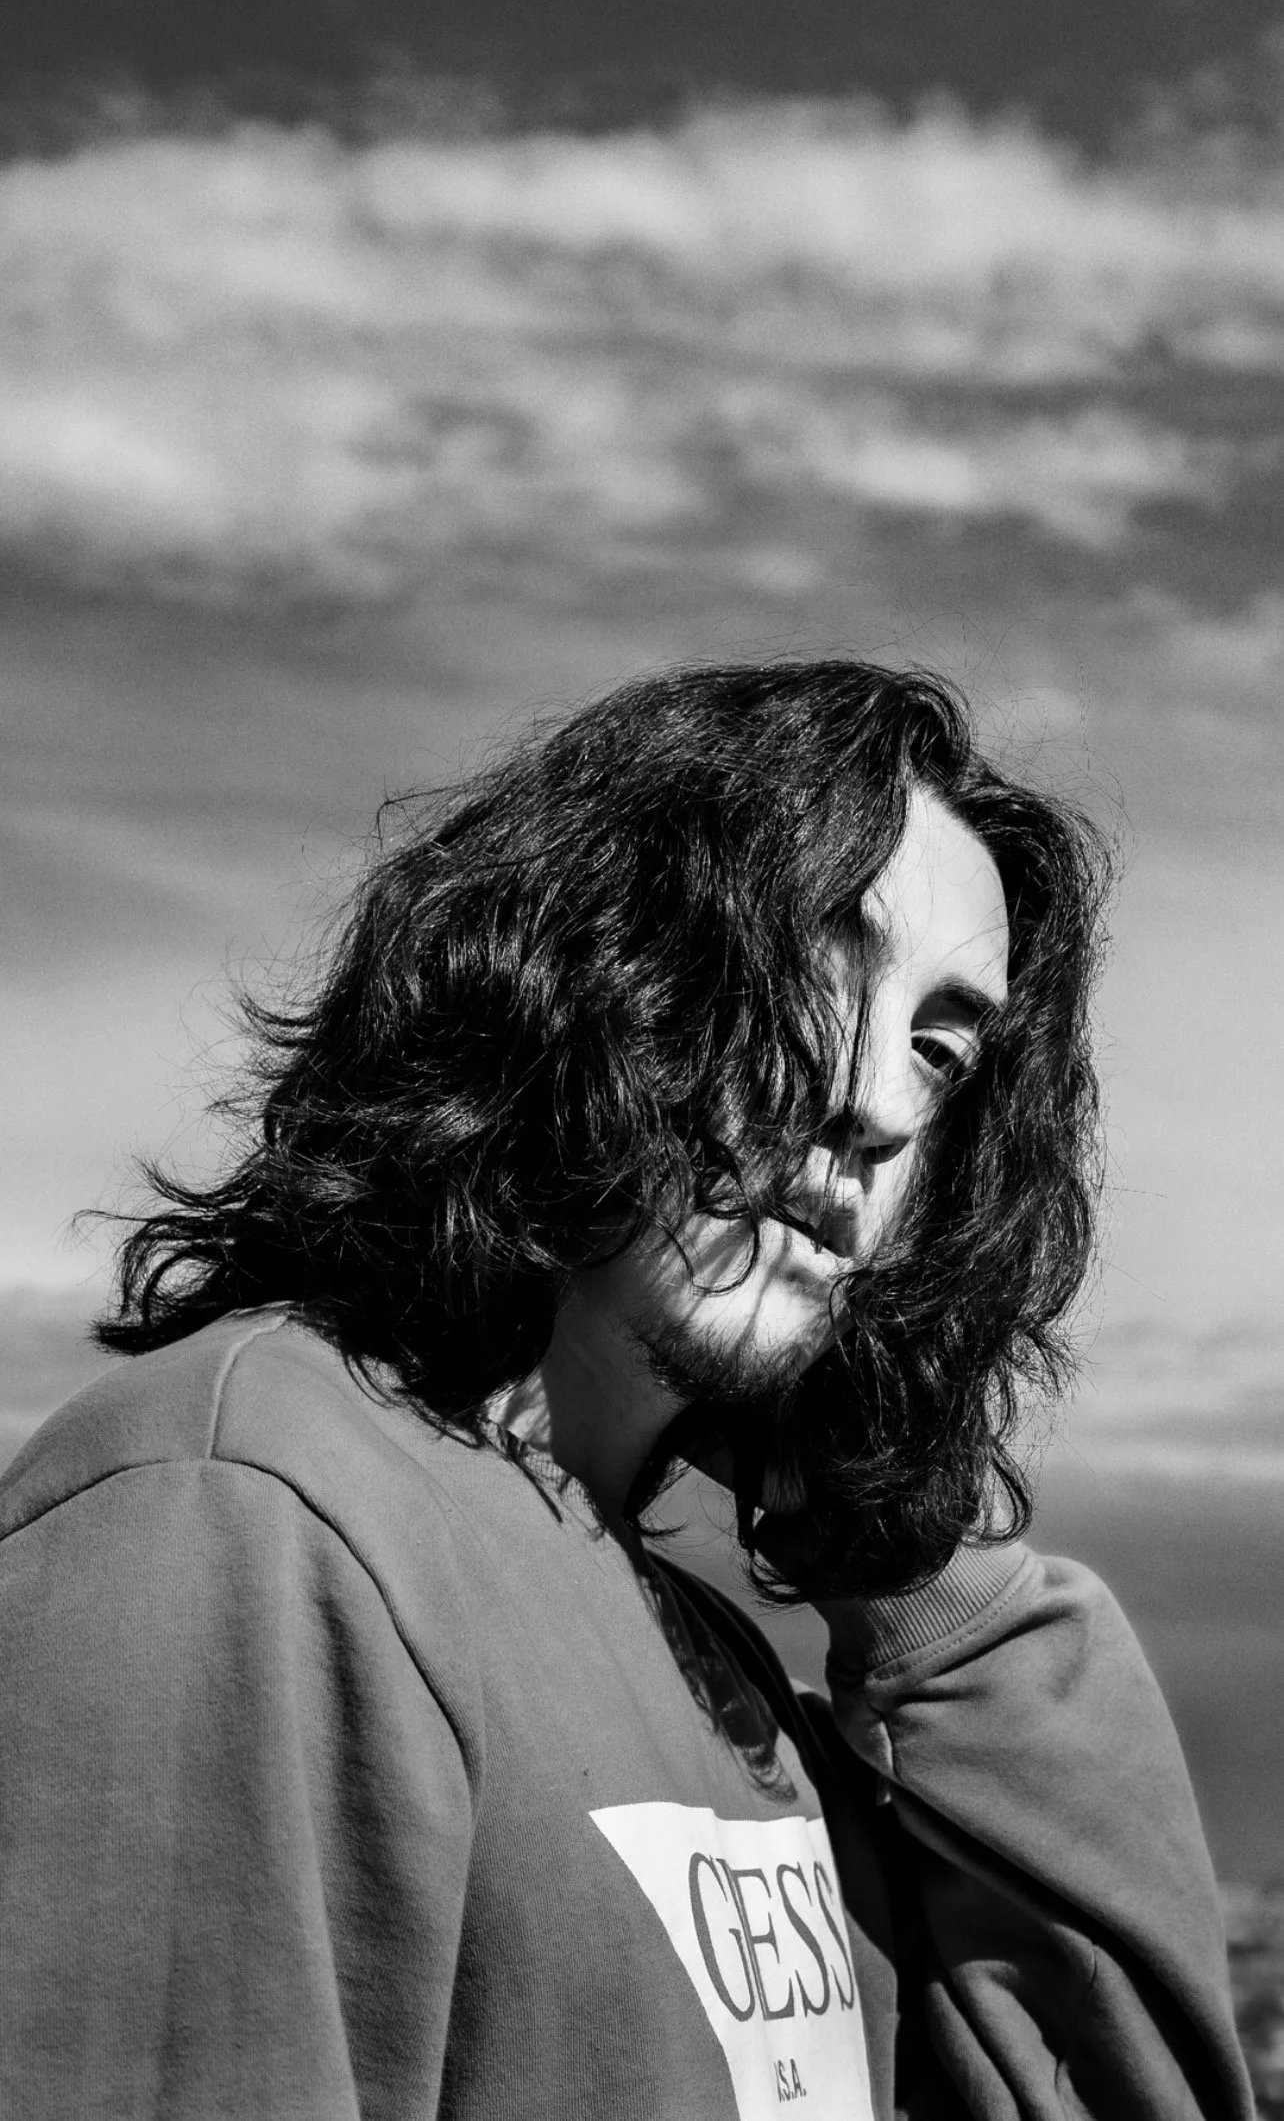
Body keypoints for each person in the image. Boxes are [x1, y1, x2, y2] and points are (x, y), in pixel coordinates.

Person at [0, 659, 1252, 2121]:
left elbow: (1122, 2083)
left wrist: (902, 1550)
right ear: (588, 969)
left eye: (940, 1045)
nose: (878, 1106)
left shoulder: (717, 1659)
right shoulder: (241, 1509)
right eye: (813, 968)